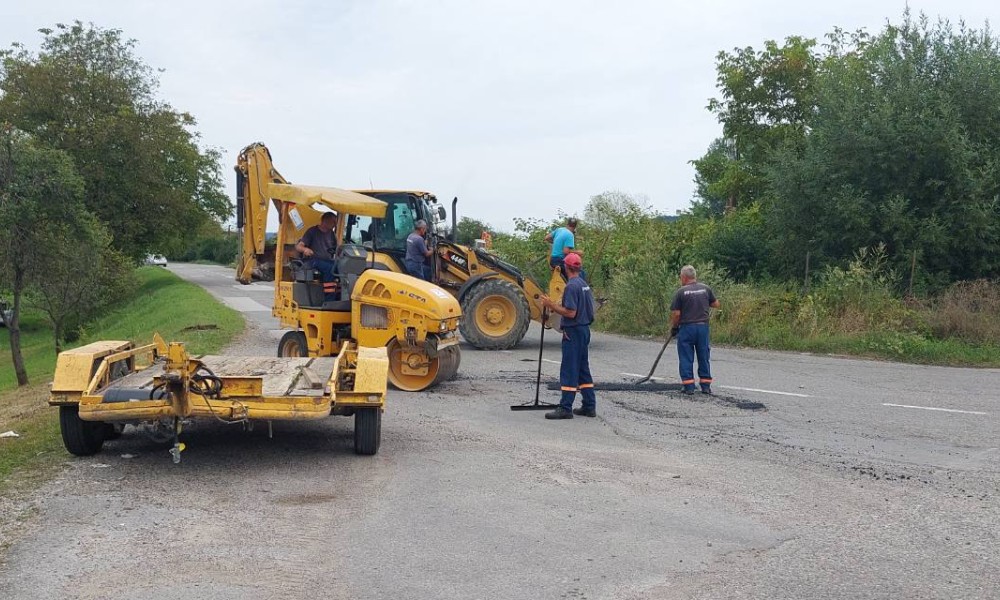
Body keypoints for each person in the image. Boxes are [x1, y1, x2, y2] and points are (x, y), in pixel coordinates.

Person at [540, 253, 597, 419]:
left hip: (573, 331)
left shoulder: (571, 286)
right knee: (582, 369)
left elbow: (571, 312)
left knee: (569, 369)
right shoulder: (583, 284)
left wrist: (551, 305)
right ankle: (589, 405)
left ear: (566, 267)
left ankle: (565, 407)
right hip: (584, 330)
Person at [669, 265, 721, 395]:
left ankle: (688, 386)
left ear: (684, 277)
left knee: (686, 356)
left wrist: (674, 328)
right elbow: (716, 304)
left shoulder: (681, 292)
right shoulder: (705, 289)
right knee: (703, 355)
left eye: (681, 277)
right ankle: (705, 385)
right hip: (702, 327)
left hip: (687, 328)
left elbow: (676, 314)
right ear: (694, 277)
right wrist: (702, 302)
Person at [296, 212, 339, 299]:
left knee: (341, 266)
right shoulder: (312, 231)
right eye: (333, 222)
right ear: (325, 221)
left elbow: (336, 248)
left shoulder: (331, 234)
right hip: (312, 260)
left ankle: (339, 294)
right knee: (330, 268)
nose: (335, 225)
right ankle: (329, 298)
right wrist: (305, 249)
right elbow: (299, 246)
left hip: (326, 260)